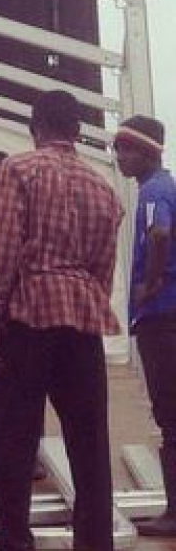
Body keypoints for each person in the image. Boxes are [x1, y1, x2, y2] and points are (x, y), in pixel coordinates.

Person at [0, 90, 123, 551]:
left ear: (35, 127)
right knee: (89, 444)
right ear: (78, 131)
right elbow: (102, 271)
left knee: (11, 441)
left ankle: (16, 543)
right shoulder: (105, 189)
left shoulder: (19, 168)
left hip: (28, 317)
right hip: (81, 322)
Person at [113, 115, 176, 537]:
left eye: (126, 149)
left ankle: (174, 513)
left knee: (170, 416)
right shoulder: (165, 186)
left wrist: (149, 284)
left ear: (148, 151)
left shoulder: (154, 191)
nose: (119, 157)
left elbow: (159, 234)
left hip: (162, 317)